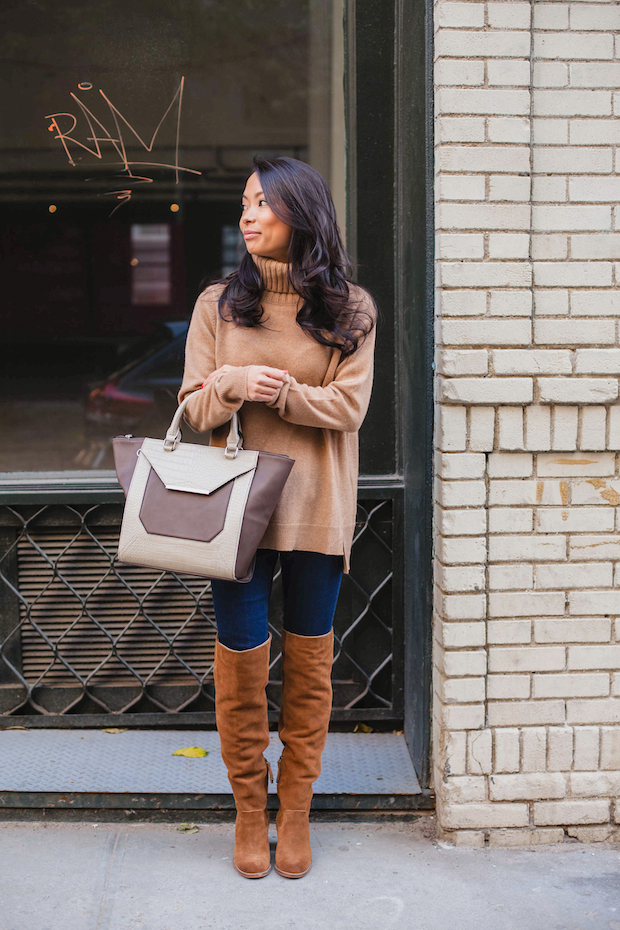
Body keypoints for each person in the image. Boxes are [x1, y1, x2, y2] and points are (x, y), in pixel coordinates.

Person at [177, 155, 377, 879]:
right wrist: (231, 381)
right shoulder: (216, 305)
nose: (248, 216)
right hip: (234, 514)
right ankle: (248, 809)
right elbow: (193, 407)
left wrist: (280, 392)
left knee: (310, 667)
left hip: (317, 510)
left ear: (302, 211)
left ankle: (296, 809)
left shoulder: (352, 308)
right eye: (243, 205)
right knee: (241, 667)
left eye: (262, 203)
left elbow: (350, 407)